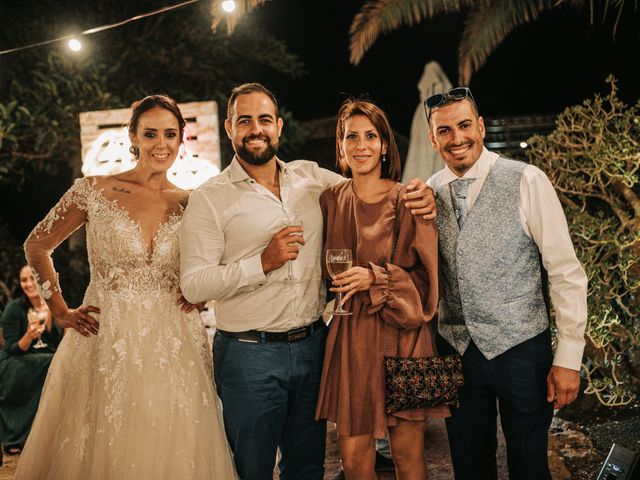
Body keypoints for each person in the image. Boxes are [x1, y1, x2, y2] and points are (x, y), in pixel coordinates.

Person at [179, 83, 436, 480]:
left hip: (318, 345)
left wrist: (426, 193)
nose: (255, 128)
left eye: (264, 119)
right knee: (252, 468)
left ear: (278, 126)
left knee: (309, 468)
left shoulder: (312, 179)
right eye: (244, 120)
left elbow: (369, 189)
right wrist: (262, 262)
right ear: (229, 128)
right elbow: (194, 286)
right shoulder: (210, 197)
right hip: (253, 354)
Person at [17, 94, 237, 479]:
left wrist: (199, 293)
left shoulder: (192, 202)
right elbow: (37, 245)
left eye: (170, 134)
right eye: (150, 133)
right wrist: (62, 311)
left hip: (174, 342)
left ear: (181, 140)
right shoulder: (93, 190)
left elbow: (215, 264)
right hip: (106, 337)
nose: (161, 143)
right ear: (132, 137)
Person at [426, 87, 588, 480]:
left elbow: (565, 271)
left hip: (521, 349)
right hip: (456, 349)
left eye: (465, 125)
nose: (457, 138)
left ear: (480, 127)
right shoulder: (427, 193)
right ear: (433, 138)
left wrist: (568, 358)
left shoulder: (527, 179)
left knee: (530, 465)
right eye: (444, 131)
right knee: (468, 466)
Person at [314, 100, 447, 480]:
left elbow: (428, 287)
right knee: (354, 462)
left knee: (410, 459)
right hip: (351, 341)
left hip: (410, 340)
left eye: (371, 136)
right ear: (341, 146)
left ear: (385, 145)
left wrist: (375, 278)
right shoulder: (330, 200)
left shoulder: (411, 199)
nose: (361, 145)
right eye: (351, 136)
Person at [0, 265, 63, 455]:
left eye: (31, 278)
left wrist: (51, 317)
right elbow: (13, 349)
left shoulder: (52, 307)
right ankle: (16, 435)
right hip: (14, 361)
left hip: (42, 358)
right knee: (51, 362)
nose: (28, 284)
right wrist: (28, 335)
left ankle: (49, 434)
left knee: (54, 362)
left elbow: (56, 343)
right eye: (23, 280)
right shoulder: (14, 309)